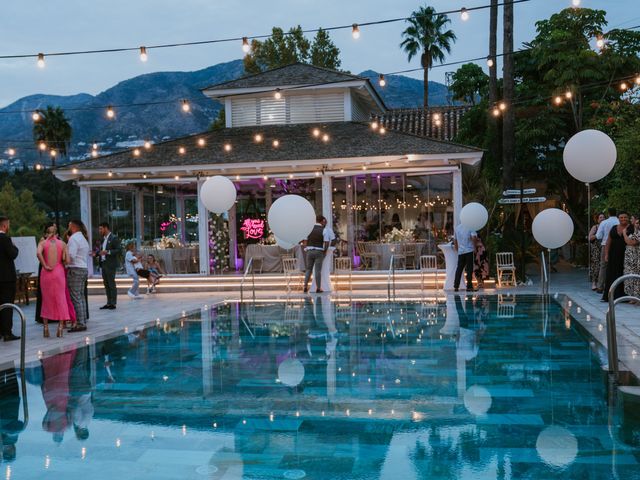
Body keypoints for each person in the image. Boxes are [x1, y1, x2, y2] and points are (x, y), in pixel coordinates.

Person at [37, 223, 74, 338]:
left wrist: (45, 265)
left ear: (47, 232)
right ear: (56, 232)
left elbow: (38, 253)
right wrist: (63, 258)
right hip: (59, 273)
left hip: (46, 273)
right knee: (61, 299)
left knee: (46, 300)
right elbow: (67, 261)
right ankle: (60, 328)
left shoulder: (42, 243)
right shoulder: (62, 244)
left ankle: (46, 328)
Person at [602, 211, 633, 302]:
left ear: (628, 218)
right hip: (614, 255)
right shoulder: (614, 227)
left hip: (627, 255)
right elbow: (608, 242)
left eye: (625, 217)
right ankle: (611, 295)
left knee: (624, 273)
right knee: (612, 273)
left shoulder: (632, 228)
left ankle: (625, 296)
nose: (623, 219)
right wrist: (606, 254)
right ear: (618, 218)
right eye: (621, 217)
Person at [66, 220, 90, 333]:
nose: (68, 227)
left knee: (75, 297)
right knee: (81, 296)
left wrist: (64, 262)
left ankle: (80, 323)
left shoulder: (74, 238)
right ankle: (83, 319)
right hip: (83, 268)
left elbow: (71, 255)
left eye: (69, 225)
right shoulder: (83, 238)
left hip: (75, 269)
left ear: (73, 227)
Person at [0, 216, 20, 341]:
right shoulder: (5, 239)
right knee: (7, 305)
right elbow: (13, 254)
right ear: (4, 226)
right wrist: (15, 247)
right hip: (6, 278)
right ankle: (7, 332)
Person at [0, 366, 24, 462]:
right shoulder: (9, 439)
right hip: (4, 404)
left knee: (11, 374)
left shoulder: (12, 439)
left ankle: (8, 363)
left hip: (12, 402)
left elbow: (20, 425)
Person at [95, 222, 121, 310]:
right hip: (103, 264)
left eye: (101, 229)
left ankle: (113, 303)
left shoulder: (114, 238)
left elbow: (118, 250)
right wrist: (96, 254)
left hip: (110, 264)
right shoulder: (103, 239)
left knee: (111, 283)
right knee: (106, 284)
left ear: (106, 228)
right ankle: (108, 302)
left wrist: (108, 252)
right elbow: (102, 251)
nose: (100, 231)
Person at [303, 215, 330, 294]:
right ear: (322, 221)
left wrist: (307, 249)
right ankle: (318, 288)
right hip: (319, 252)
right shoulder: (324, 230)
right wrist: (324, 251)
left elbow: (305, 242)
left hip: (309, 251)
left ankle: (305, 286)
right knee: (317, 271)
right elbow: (327, 242)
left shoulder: (308, 229)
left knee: (308, 269)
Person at [596, 208, 620, 294]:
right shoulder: (619, 221)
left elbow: (598, 236)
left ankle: (600, 286)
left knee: (603, 266)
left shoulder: (604, 222)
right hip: (618, 246)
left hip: (605, 245)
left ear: (608, 213)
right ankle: (615, 286)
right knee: (616, 265)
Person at [311, 217, 336, 293]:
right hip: (317, 250)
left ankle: (323, 286)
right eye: (322, 222)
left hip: (325, 251)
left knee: (324, 268)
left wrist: (329, 247)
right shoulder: (314, 229)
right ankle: (316, 286)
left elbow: (333, 240)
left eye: (325, 222)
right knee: (316, 269)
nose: (323, 223)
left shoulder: (328, 230)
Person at [453, 222, 477, 292]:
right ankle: (469, 286)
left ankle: (456, 286)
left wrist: (458, 250)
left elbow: (455, 240)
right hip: (469, 250)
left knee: (459, 269)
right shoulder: (471, 226)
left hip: (461, 251)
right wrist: (474, 247)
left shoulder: (457, 228)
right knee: (469, 269)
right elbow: (473, 238)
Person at [623, 215, 640, 301]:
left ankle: (635, 297)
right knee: (630, 275)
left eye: (637, 222)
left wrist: (624, 234)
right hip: (630, 257)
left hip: (635, 257)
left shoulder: (638, 232)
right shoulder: (633, 230)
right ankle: (632, 296)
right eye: (636, 222)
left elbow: (631, 242)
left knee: (635, 276)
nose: (637, 224)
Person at [589, 212, 606, 291]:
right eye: (600, 217)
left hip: (604, 247)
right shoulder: (595, 227)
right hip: (596, 248)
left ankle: (602, 283)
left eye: (603, 217)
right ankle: (594, 283)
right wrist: (597, 235)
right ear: (597, 219)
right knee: (596, 265)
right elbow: (590, 238)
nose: (602, 219)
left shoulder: (606, 226)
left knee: (604, 265)